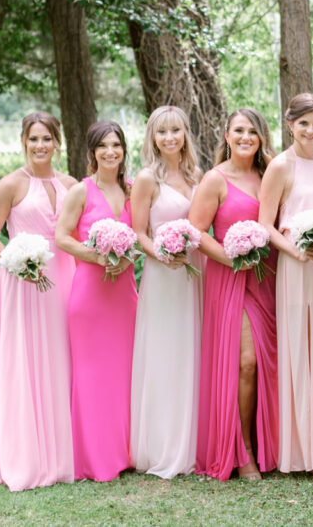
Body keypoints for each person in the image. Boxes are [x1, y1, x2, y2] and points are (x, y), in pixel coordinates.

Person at [0, 112, 76, 491]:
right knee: (28, 361)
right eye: (34, 139)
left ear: (57, 142)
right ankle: (27, 453)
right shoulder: (11, 184)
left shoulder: (70, 184)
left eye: (47, 138)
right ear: (23, 141)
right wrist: (16, 261)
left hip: (66, 278)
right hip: (24, 283)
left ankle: (64, 449)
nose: (40, 146)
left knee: (62, 358)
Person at [191, 108, 279, 481]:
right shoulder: (215, 179)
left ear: (261, 138)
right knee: (245, 362)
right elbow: (196, 231)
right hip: (230, 279)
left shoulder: (270, 173)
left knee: (267, 361)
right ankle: (241, 450)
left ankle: (266, 444)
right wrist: (231, 258)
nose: (246, 137)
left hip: (269, 277)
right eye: (239, 131)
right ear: (226, 135)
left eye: (253, 132)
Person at [258, 94, 313, 476]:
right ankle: (300, 452)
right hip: (296, 267)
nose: (310, 130)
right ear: (289, 123)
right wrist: (296, 252)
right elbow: (265, 225)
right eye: (304, 123)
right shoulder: (279, 166)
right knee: (299, 351)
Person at [55, 121, 137, 482]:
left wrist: (126, 257)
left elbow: (141, 237)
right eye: (102, 146)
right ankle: (93, 460)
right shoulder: (80, 191)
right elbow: (61, 238)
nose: (110, 152)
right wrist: (96, 255)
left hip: (124, 296)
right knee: (91, 376)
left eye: (116, 144)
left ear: (123, 150)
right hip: (90, 296)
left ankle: (125, 452)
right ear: (91, 152)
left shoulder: (133, 191)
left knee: (123, 374)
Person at [129, 106, 203, 479]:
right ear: (153, 138)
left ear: (185, 134)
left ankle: (194, 442)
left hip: (195, 274)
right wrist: (162, 252)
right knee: (166, 354)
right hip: (163, 275)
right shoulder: (146, 179)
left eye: (176, 130)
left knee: (193, 352)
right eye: (162, 132)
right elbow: (139, 232)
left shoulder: (198, 176)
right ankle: (163, 446)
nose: (170, 138)